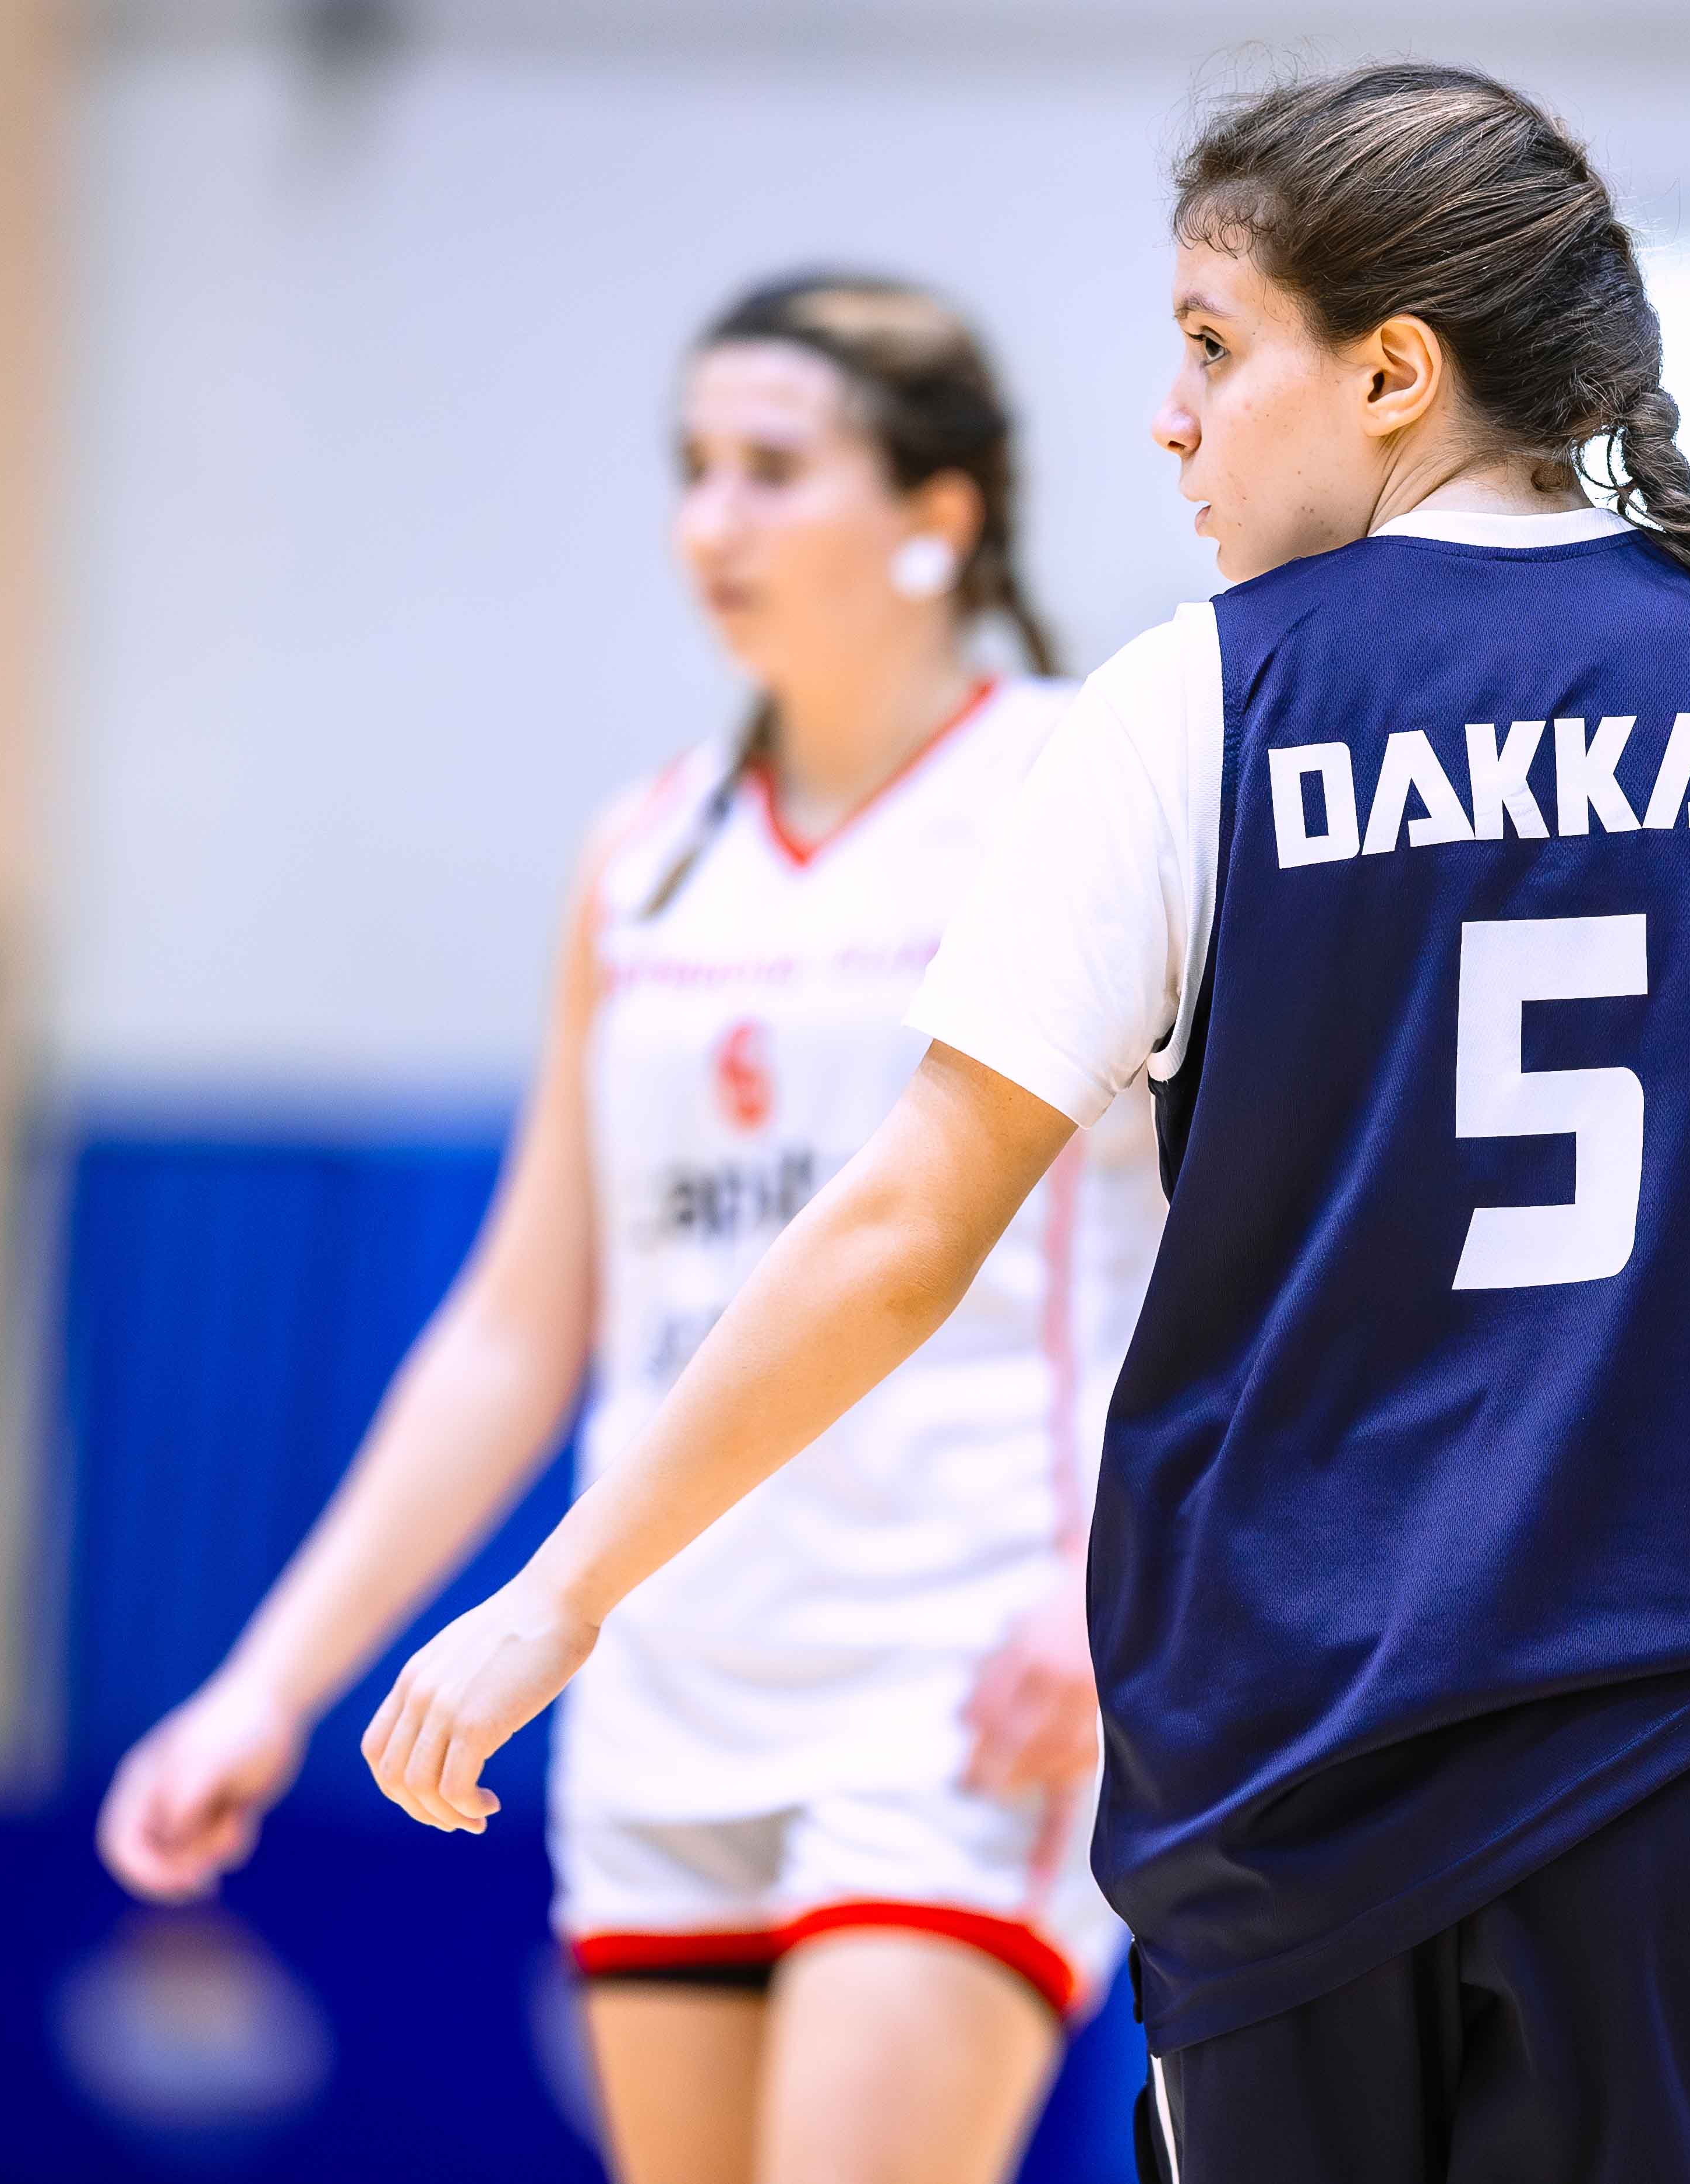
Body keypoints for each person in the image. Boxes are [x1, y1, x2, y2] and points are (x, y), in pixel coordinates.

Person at [361, 63, 1690, 2184]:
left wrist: (567, 1588)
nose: (1169, 418)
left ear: (1392, 373)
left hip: (1290, 1777)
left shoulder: (1198, 704)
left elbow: (903, 1224)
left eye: (1210, 346)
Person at [95, 273, 1162, 2184]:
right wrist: (270, 1682)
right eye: (693, 468)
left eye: (774, 468)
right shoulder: (645, 852)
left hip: (962, 1663)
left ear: (939, 512)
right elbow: (519, 1326)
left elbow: (1250, 1247)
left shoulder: (1079, 787)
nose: (710, 521)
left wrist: (1123, 1589)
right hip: (661, 1669)